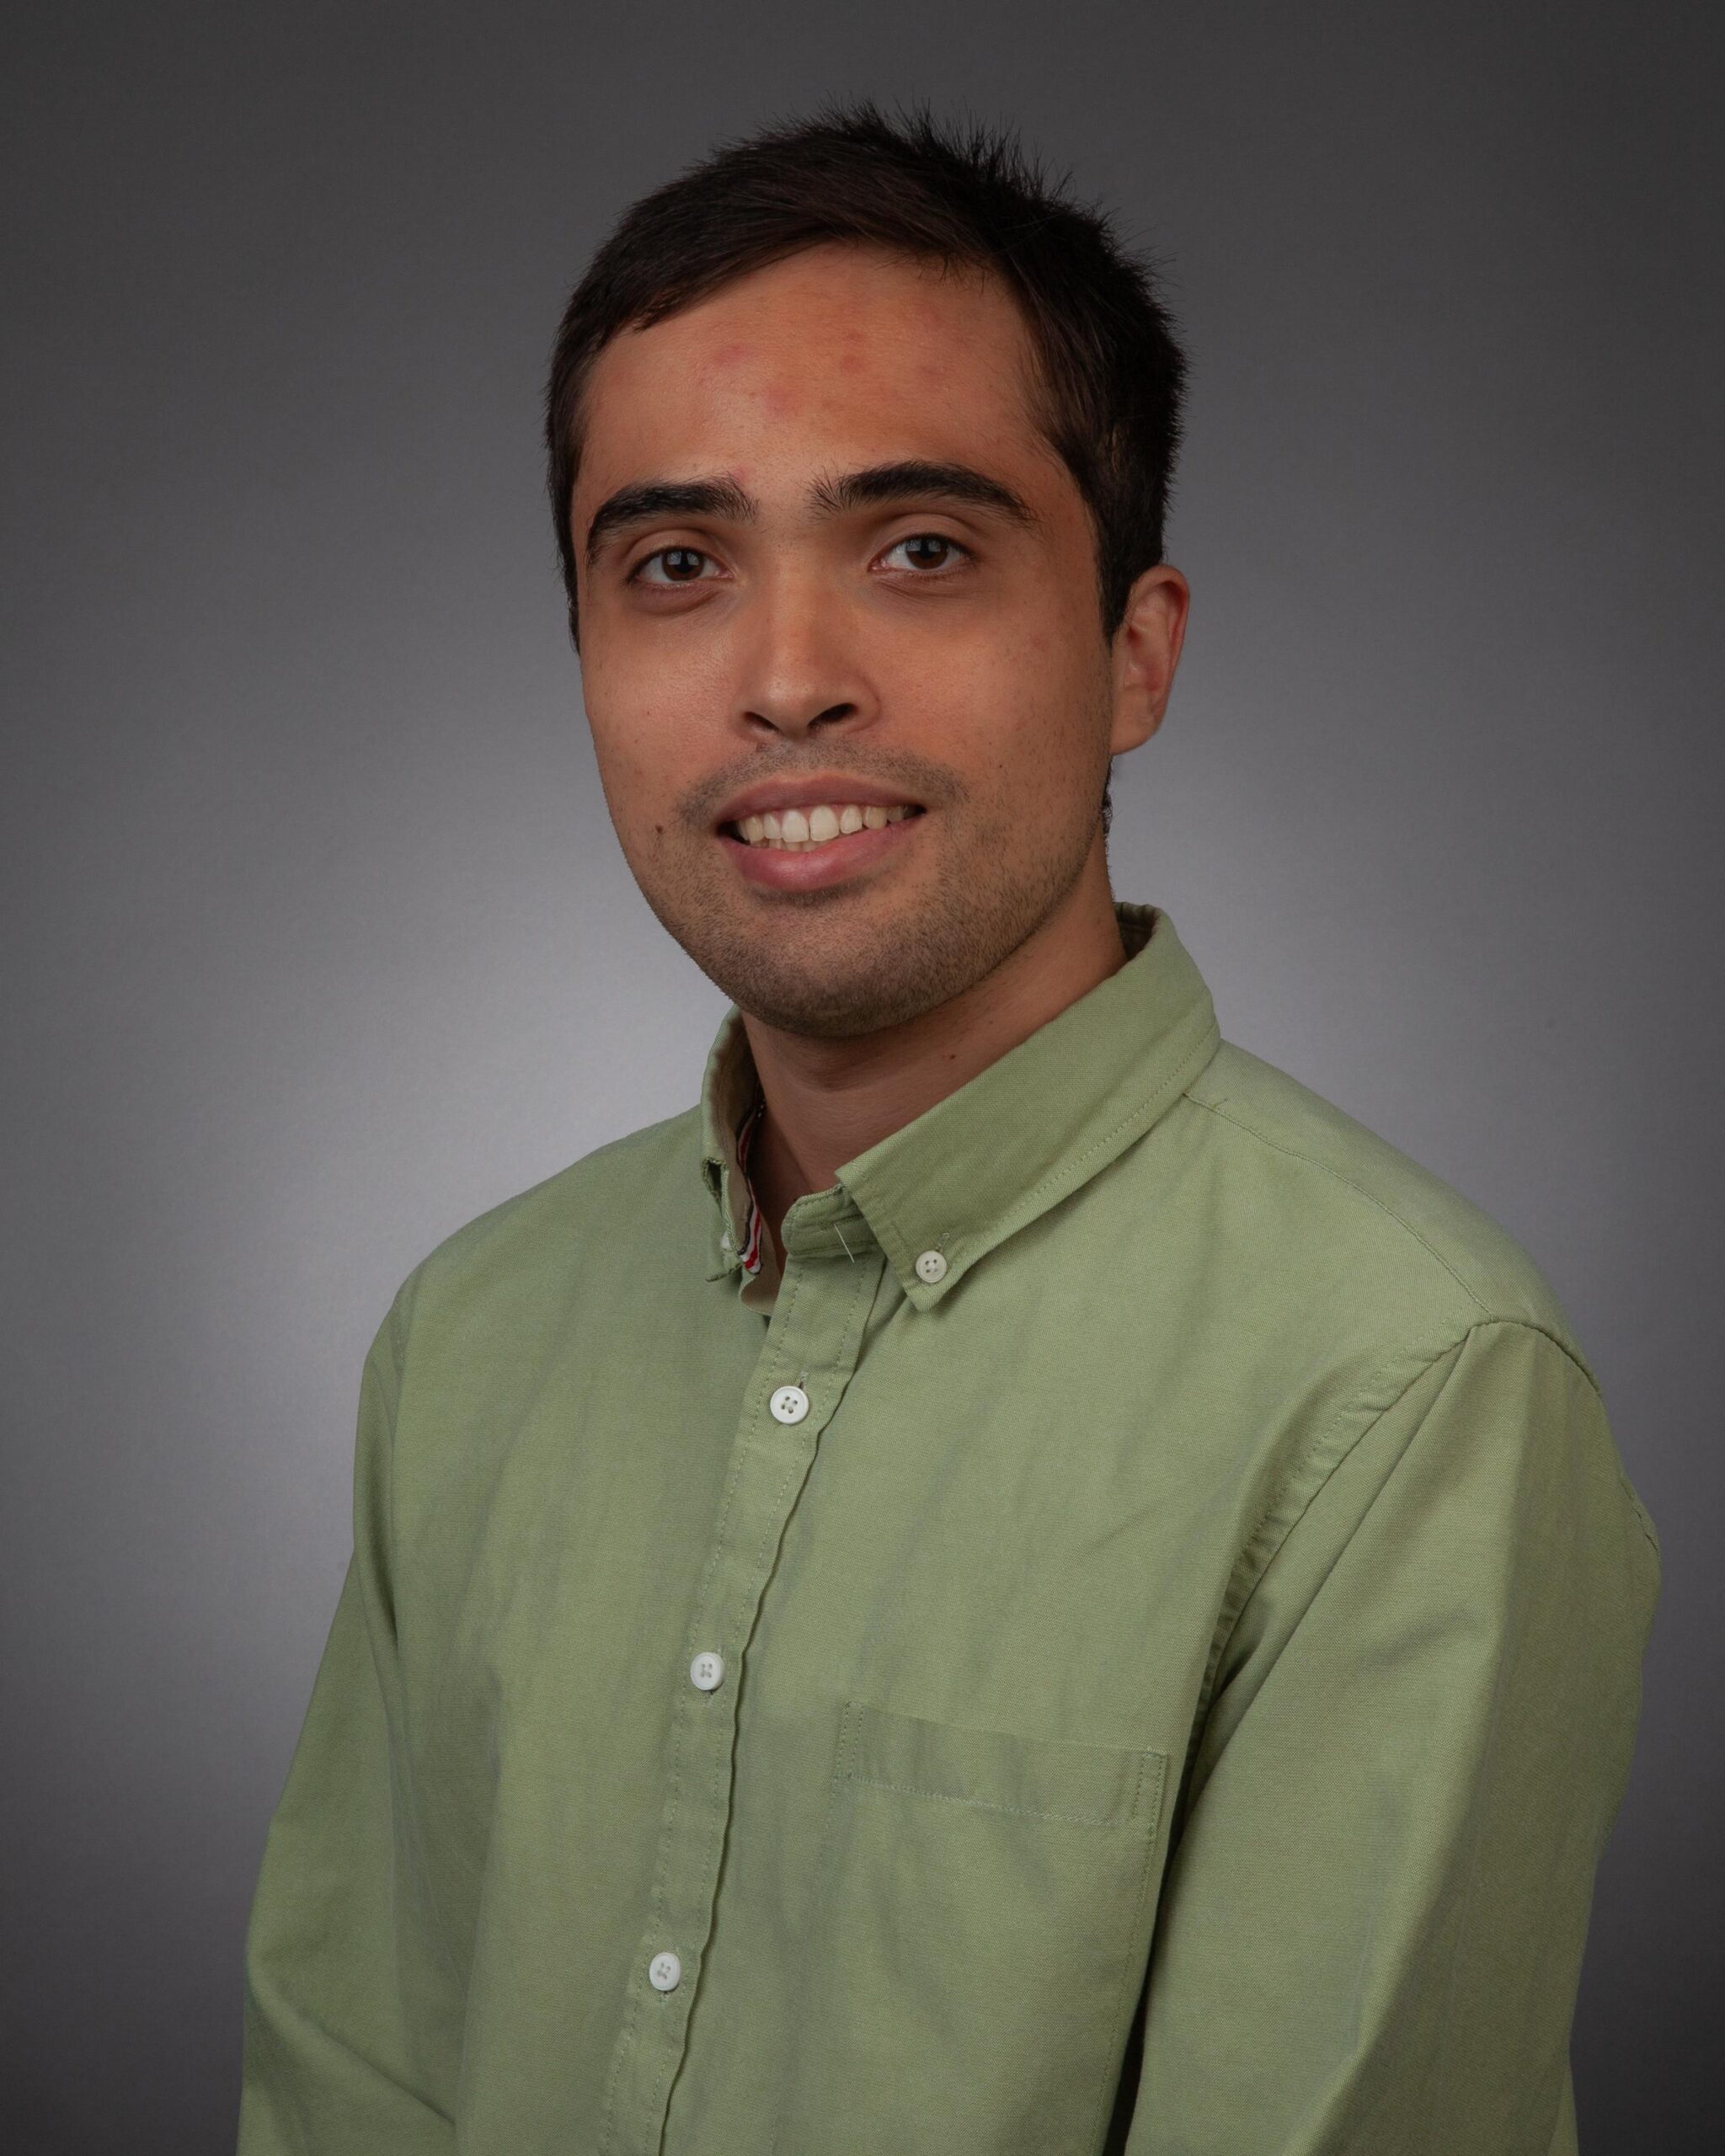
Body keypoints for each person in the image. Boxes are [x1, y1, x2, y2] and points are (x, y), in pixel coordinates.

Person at [235, 100, 1661, 2156]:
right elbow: (341, 2083)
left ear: (1130, 654)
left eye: (918, 547)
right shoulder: (467, 1332)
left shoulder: (1404, 1389)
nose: (786, 677)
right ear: (582, 658)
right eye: (673, 563)